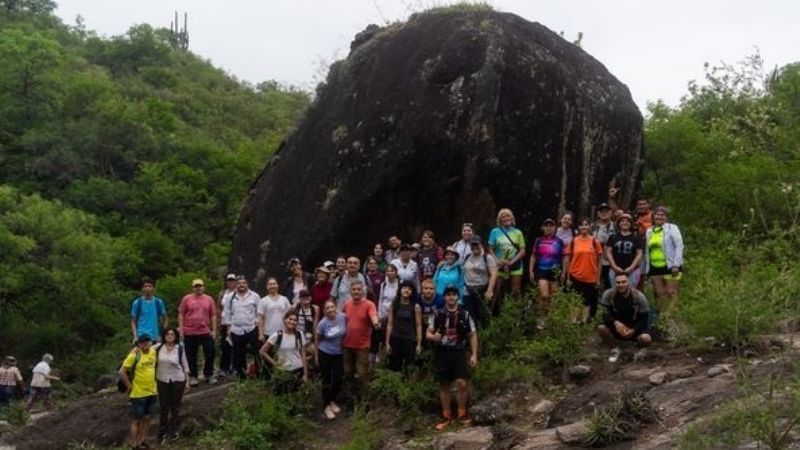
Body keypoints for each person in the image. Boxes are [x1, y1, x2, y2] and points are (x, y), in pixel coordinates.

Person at [427, 286, 478, 431]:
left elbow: (473, 334)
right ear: (444, 297)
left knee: (462, 383)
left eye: (453, 295)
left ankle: (462, 414)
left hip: (459, 351)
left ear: (458, 297)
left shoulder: (465, 314)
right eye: (448, 295)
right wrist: (433, 337)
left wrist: (474, 354)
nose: (451, 297)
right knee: (444, 385)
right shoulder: (438, 313)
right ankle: (446, 416)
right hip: (442, 352)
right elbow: (427, 333)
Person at [597, 273, 652, 363]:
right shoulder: (608, 295)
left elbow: (644, 319)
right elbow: (604, 314)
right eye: (618, 282)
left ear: (628, 282)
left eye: (623, 282)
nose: (621, 285)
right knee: (601, 328)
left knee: (646, 339)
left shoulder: (639, 297)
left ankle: (637, 349)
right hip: (616, 327)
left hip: (635, 328)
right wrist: (615, 322)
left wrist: (633, 330)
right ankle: (614, 349)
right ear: (615, 283)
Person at [118, 334, 158, 450]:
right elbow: (122, 372)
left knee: (147, 418)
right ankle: (134, 444)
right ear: (139, 344)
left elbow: (165, 343)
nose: (145, 343)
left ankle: (143, 440)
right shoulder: (134, 355)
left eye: (147, 341)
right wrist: (129, 386)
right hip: (138, 393)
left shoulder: (153, 352)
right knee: (137, 420)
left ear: (151, 342)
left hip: (151, 391)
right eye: (142, 342)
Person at [341, 281, 379, 398]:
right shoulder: (346, 304)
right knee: (348, 373)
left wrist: (376, 323)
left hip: (362, 346)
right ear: (350, 291)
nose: (356, 292)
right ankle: (350, 397)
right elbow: (341, 319)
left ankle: (364, 400)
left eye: (358, 289)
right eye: (354, 290)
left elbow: (373, 316)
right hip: (347, 344)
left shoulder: (369, 304)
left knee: (362, 374)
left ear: (362, 291)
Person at [645, 206, 684, 317]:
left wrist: (676, 264)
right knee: (660, 294)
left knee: (671, 292)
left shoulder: (672, 228)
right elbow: (647, 249)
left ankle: (671, 316)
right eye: (657, 214)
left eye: (662, 215)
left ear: (666, 217)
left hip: (670, 265)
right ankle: (662, 316)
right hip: (655, 266)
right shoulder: (649, 230)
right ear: (653, 216)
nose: (659, 216)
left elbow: (679, 246)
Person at [564, 218, 604, 323]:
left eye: (586, 224)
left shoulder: (595, 241)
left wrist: (598, 279)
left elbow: (600, 262)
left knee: (587, 301)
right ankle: (573, 322)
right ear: (578, 228)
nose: (584, 227)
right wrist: (568, 277)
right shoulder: (574, 241)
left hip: (590, 276)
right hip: (575, 275)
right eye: (581, 225)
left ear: (589, 227)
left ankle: (583, 322)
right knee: (575, 300)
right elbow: (568, 259)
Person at [178, 278, 217, 386]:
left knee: (210, 353)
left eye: (200, 286)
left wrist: (214, 330)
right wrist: (181, 330)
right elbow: (181, 314)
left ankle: (208, 374)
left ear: (203, 287)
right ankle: (193, 376)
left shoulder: (209, 299)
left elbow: (213, 315)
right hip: (189, 331)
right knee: (191, 355)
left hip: (205, 330)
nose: (198, 288)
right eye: (196, 286)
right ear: (193, 288)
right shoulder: (187, 299)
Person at [259, 310, 309, 394]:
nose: (292, 322)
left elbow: (303, 355)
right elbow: (262, 351)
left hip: (297, 369)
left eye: (295, 320)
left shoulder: (299, 335)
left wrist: (305, 374)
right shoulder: (277, 335)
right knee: (281, 395)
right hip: (283, 370)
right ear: (285, 320)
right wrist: (275, 364)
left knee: (296, 395)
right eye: (290, 319)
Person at [154, 328, 190, 443]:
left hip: (178, 379)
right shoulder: (159, 348)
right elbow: (144, 348)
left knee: (175, 406)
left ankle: (174, 430)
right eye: (167, 334)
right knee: (164, 406)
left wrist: (187, 382)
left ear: (176, 336)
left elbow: (185, 365)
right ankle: (162, 432)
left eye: (172, 334)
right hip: (162, 379)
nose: (170, 336)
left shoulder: (179, 348)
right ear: (164, 336)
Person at [487, 208, 526, 315]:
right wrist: (497, 260)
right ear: (499, 220)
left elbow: (522, 251)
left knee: (516, 291)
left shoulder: (518, 232)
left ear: (512, 218)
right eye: (503, 217)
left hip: (515, 265)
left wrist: (511, 262)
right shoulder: (495, 232)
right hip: (499, 264)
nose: (506, 218)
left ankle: (519, 315)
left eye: (508, 216)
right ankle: (490, 316)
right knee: (496, 290)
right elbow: (490, 248)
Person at [528, 218, 566, 325]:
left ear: (555, 228)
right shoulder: (538, 240)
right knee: (544, 295)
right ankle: (542, 317)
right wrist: (531, 270)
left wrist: (563, 272)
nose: (548, 228)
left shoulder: (559, 241)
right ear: (543, 228)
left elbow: (563, 257)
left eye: (551, 225)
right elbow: (533, 256)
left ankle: (552, 319)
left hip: (555, 270)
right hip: (541, 270)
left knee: (554, 296)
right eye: (546, 226)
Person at [224, 277, 261, 380]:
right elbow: (227, 313)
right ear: (236, 285)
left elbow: (259, 312)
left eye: (244, 283)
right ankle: (242, 376)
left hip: (252, 328)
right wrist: (229, 329)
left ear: (247, 284)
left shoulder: (254, 296)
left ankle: (259, 374)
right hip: (236, 330)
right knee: (239, 354)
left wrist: (257, 324)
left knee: (256, 352)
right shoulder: (230, 298)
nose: (241, 285)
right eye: (239, 283)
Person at [316, 300, 345, 420]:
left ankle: (332, 399)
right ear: (324, 311)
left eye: (332, 307)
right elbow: (318, 339)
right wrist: (317, 356)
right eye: (327, 308)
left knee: (338, 378)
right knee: (326, 379)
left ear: (336, 307)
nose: (330, 309)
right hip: (325, 352)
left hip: (339, 353)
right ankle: (326, 405)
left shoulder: (343, 317)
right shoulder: (322, 323)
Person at [385, 280, 422, 374]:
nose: (406, 290)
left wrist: (419, 344)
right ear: (400, 290)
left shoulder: (416, 307)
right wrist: (387, 342)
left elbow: (418, 326)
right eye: (404, 288)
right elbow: (390, 324)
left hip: (409, 339)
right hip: (395, 338)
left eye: (409, 289)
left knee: (409, 367)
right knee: (394, 367)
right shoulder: (393, 305)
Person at [462, 236, 496, 330]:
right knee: (470, 315)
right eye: (472, 245)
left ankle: (485, 338)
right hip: (468, 290)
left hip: (481, 290)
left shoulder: (487, 257)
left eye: (477, 244)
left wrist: (490, 290)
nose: (474, 247)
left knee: (483, 316)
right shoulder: (467, 257)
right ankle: (473, 337)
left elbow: (493, 274)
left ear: (481, 245)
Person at [606, 213, 644, 288]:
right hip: (615, 270)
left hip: (632, 271)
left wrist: (631, 268)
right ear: (619, 223)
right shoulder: (613, 237)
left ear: (631, 223)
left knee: (630, 291)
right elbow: (608, 252)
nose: (625, 223)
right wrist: (614, 267)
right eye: (622, 221)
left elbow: (639, 254)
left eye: (627, 221)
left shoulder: (636, 237)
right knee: (615, 291)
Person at [373, 263, 399, 363]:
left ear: (396, 273)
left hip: (395, 315)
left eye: (392, 271)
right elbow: (380, 299)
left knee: (392, 335)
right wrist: (379, 315)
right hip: (384, 314)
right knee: (382, 336)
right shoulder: (383, 284)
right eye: (388, 271)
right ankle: (381, 356)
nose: (390, 273)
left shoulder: (400, 284)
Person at [130, 278, 167, 344]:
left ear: (153, 288)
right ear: (142, 289)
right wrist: (135, 336)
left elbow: (165, 319)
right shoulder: (137, 302)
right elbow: (133, 321)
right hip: (141, 335)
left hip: (155, 336)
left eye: (150, 286)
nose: (148, 288)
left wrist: (163, 335)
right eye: (146, 286)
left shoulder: (158, 302)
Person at [259, 277, 292, 342]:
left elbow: (290, 316)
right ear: (267, 287)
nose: (272, 286)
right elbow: (260, 319)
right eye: (270, 284)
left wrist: (290, 330)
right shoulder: (263, 301)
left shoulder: (284, 299)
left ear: (277, 285)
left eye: (274, 284)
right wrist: (260, 334)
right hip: (268, 333)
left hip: (283, 332)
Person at [217, 273, 237, 377]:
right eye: (229, 280)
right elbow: (219, 308)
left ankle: (235, 367)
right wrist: (219, 322)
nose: (230, 282)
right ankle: (224, 367)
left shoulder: (239, 292)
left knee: (236, 346)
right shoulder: (222, 293)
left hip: (235, 323)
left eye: (232, 280)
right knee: (225, 346)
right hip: (224, 323)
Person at [592, 203, 616, 290]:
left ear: (611, 213)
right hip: (595, 260)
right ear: (598, 213)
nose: (604, 213)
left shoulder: (616, 226)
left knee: (609, 284)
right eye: (602, 211)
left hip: (611, 261)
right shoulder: (592, 227)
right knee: (594, 285)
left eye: (606, 211)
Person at [294, 289, 319, 367]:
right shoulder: (295, 307)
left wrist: (316, 342)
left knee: (318, 353)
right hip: (297, 340)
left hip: (308, 340)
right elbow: (285, 317)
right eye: (303, 297)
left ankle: (303, 362)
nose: (305, 298)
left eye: (307, 296)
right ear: (300, 299)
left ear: (310, 298)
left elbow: (315, 327)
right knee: (296, 356)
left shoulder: (315, 309)